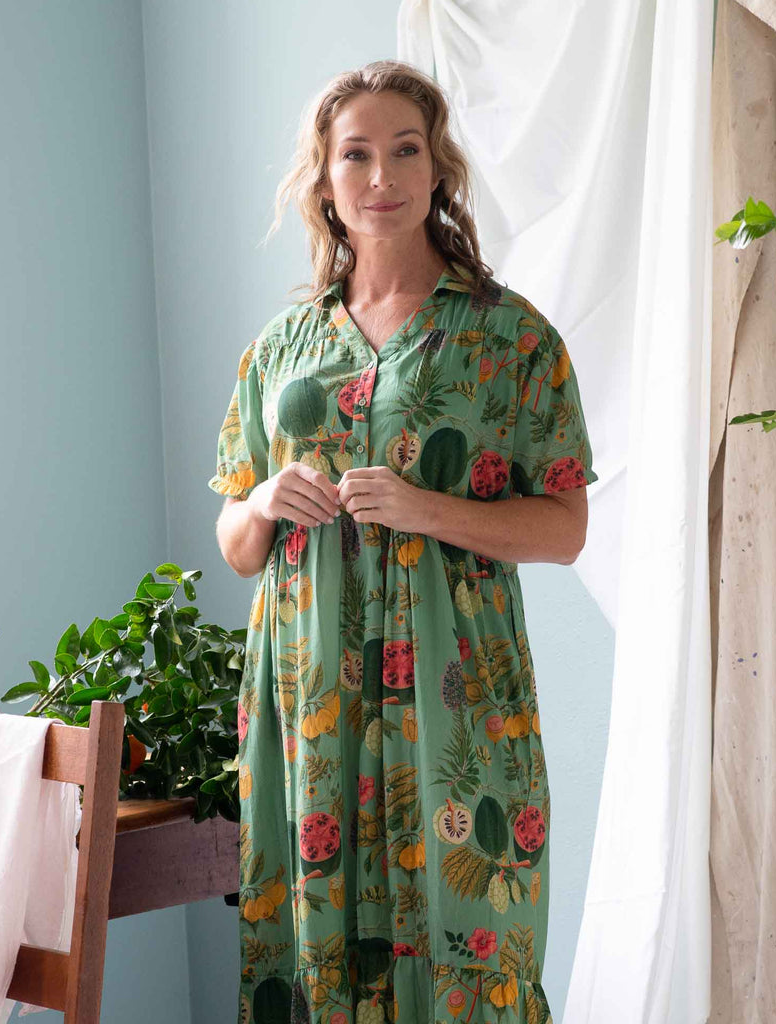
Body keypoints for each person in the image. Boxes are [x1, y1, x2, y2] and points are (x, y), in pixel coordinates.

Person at [208, 58, 598, 1024]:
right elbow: (234, 540)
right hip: (309, 693)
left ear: (438, 172)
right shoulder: (280, 348)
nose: (381, 176)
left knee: (470, 915)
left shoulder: (510, 338)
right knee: (317, 933)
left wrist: (427, 509)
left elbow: (566, 527)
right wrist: (260, 504)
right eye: (356, 155)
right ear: (325, 182)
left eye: (404, 151)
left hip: (455, 684)